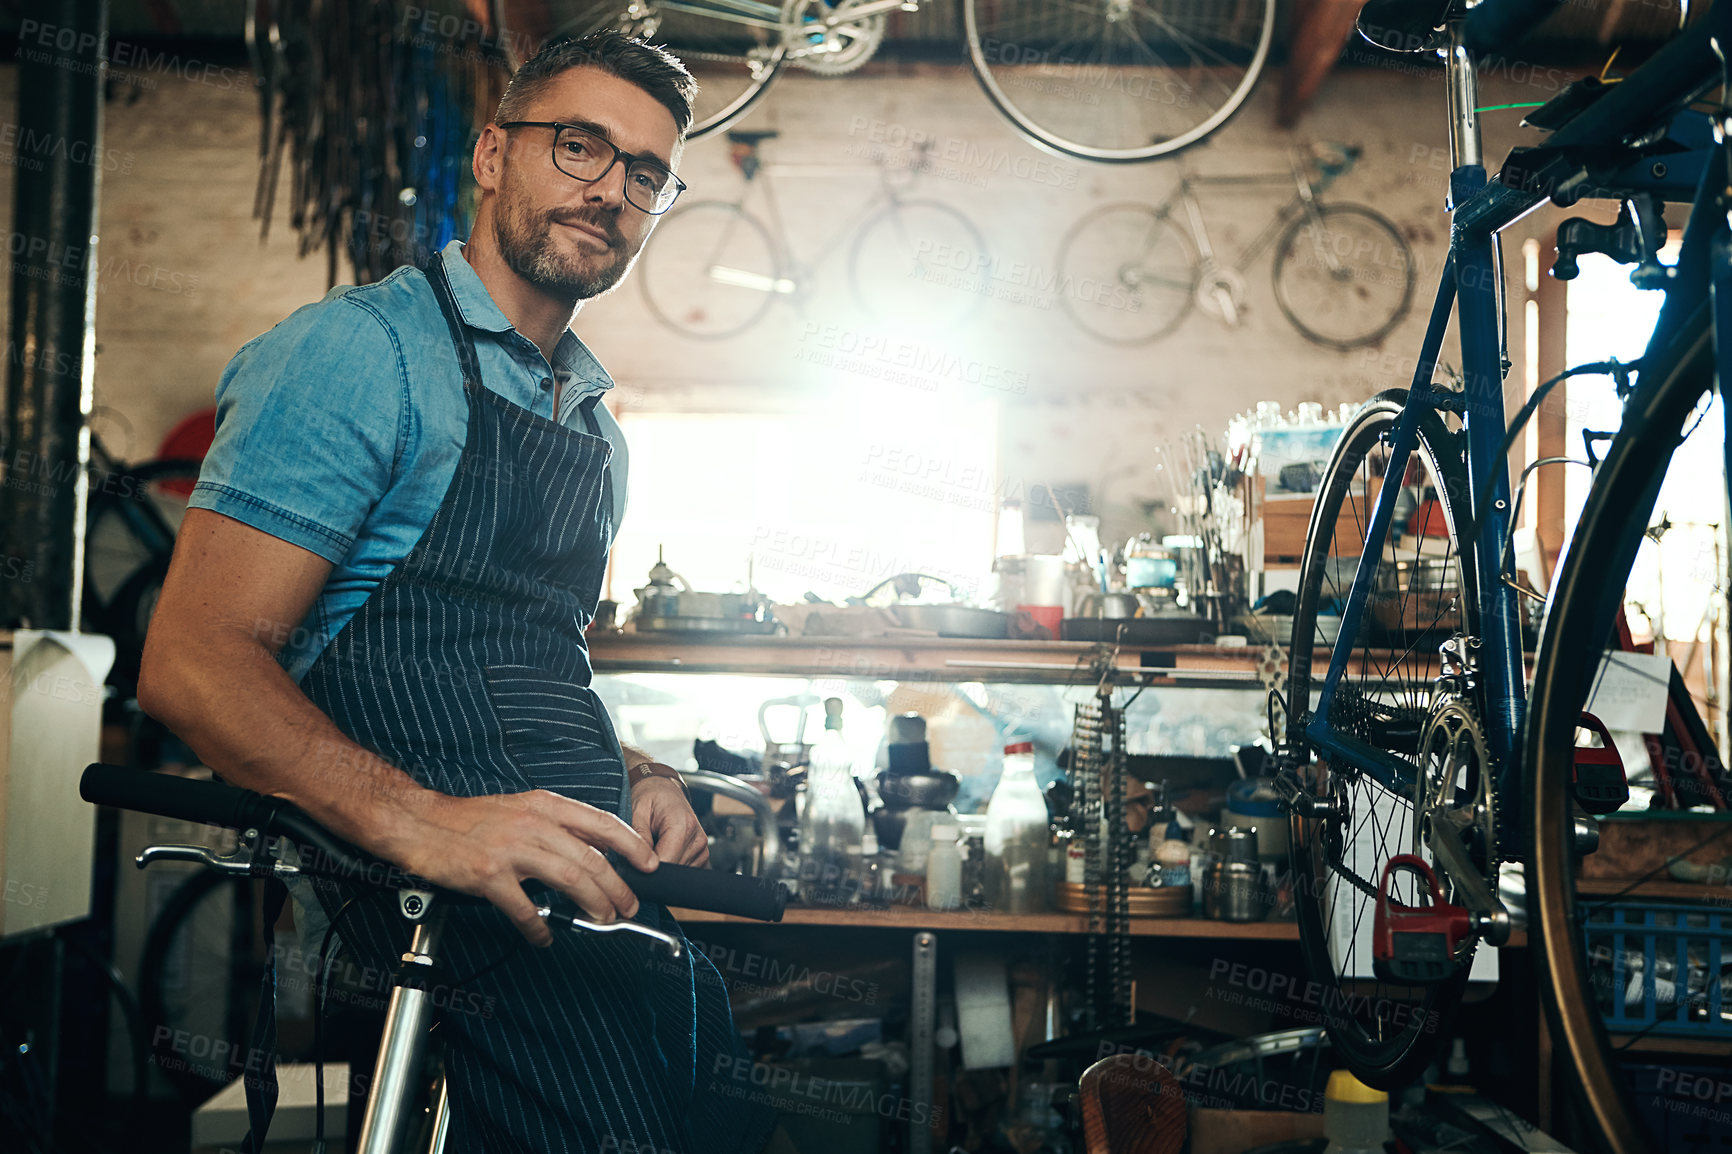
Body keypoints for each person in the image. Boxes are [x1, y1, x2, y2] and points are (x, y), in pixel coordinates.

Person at [139, 31, 782, 1154]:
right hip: (436, 897)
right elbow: (193, 663)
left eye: (644, 172)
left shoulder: (596, 431)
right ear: (492, 156)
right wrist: (426, 823)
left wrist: (635, 772)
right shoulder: (360, 355)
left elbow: (514, 668)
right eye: (578, 146)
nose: (609, 190)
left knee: (721, 1094)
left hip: (580, 876)